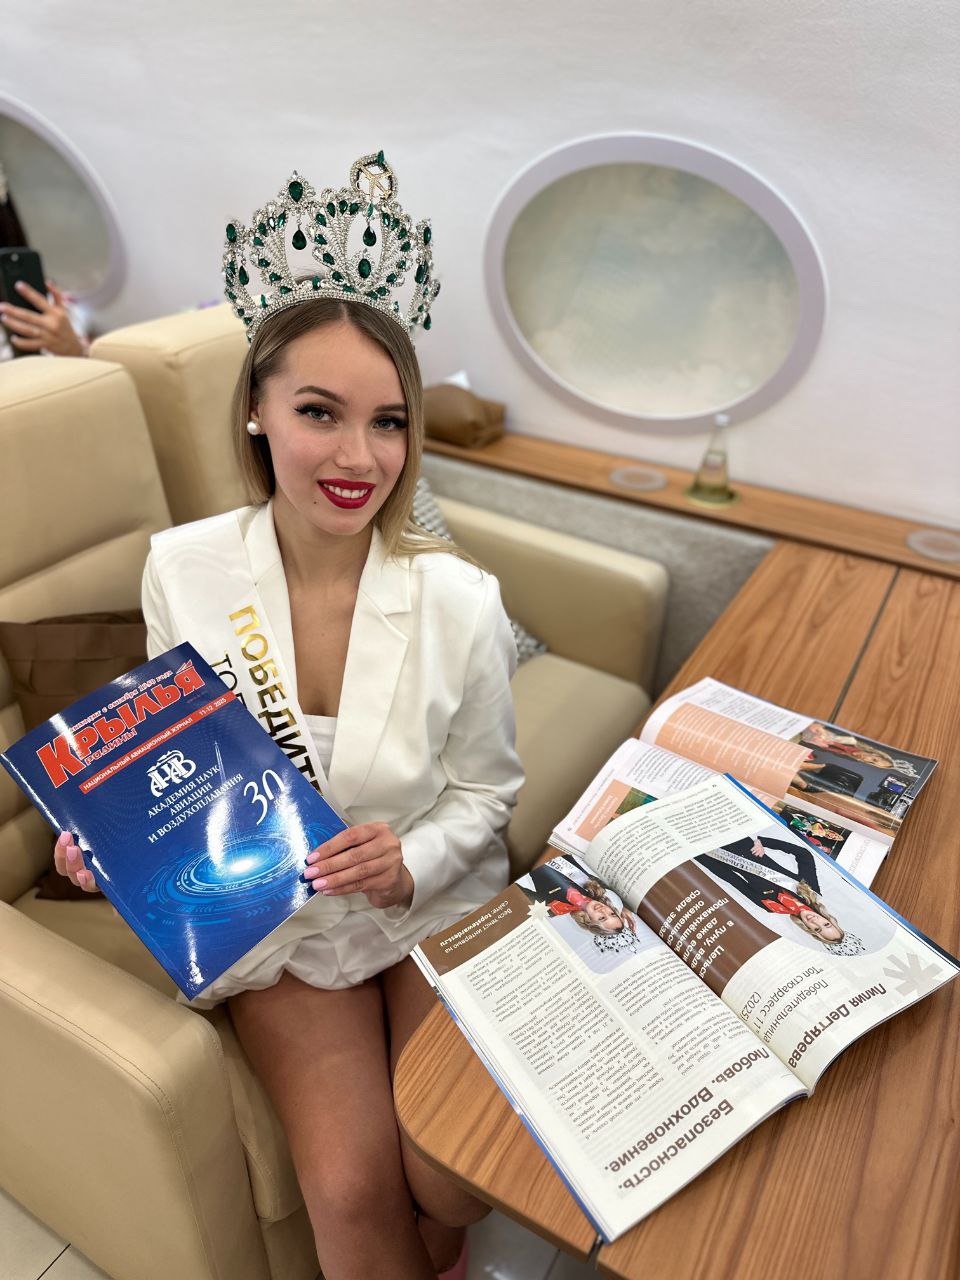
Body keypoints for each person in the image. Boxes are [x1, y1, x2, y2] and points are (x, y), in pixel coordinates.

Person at [51, 152, 523, 1280]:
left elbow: (487, 792)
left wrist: (410, 859)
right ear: (258, 412)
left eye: (388, 422)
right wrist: (112, 841)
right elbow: (165, 758)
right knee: (351, 1190)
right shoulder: (182, 567)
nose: (360, 458)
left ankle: (441, 1243)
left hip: (422, 899)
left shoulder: (462, 601)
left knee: (452, 1172)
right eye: (319, 412)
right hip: (276, 922)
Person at [695, 835, 865, 954]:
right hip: (739, 840)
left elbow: (732, 879)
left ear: (810, 930)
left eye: (817, 929)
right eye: (826, 924)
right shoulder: (810, 890)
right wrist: (763, 842)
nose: (815, 921)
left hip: (718, 855)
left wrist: (700, 856)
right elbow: (804, 855)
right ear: (828, 919)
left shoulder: (771, 907)